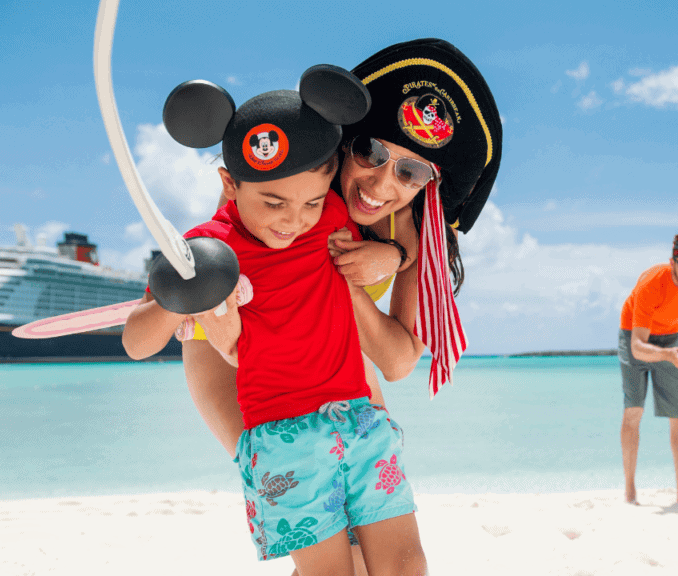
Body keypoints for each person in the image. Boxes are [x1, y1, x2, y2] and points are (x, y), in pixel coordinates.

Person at [176, 39, 502, 575]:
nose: (380, 184)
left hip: (336, 367)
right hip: (236, 360)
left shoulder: (415, 233)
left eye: (411, 173)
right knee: (325, 541)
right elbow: (222, 266)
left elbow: (397, 362)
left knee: (395, 556)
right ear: (344, 143)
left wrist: (376, 266)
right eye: (371, 153)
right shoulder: (287, 182)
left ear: (430, 184)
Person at [122, 72, 427, 576]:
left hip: (359, 419)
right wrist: (179, 298)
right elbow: (136, 342)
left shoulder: (330, 215)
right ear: (229, 184)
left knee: (406, 565)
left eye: (309, 201)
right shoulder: (206, 249)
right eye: (272, 203)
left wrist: (391, 253)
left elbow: (404, 230)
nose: (292, 220)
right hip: (283, 440)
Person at [617, 234, 678, 505]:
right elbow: (638, 347)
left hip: (670, 334)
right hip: (634, 334)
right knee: (634, 410)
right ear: (672, 262)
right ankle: (630, 490)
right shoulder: (652, 282)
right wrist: (668, 355)